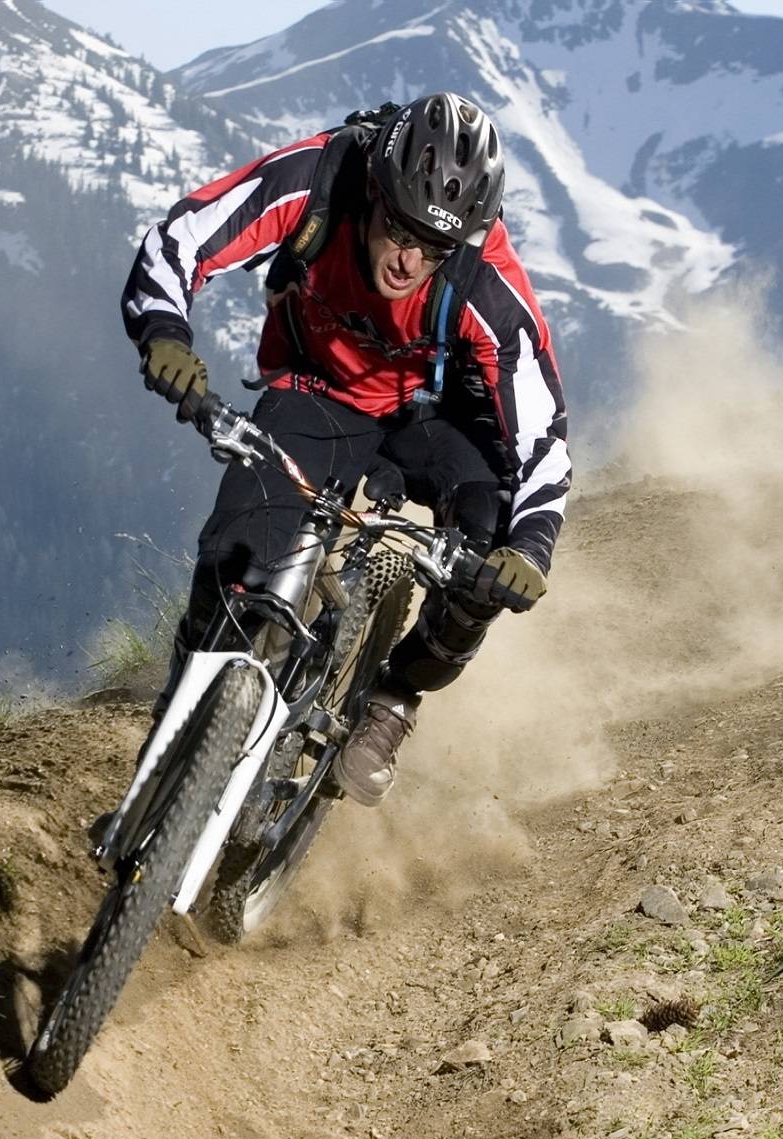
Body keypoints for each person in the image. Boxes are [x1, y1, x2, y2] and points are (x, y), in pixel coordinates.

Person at [121, 92, 570, 805]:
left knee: (488, 537)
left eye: (435, 246)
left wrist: (532, 547)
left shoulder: (488, 282)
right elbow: (179, 239)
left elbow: (544, 430)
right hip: (320, 389)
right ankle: (186, 699)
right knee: (236, 555)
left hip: (437, 415)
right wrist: (166, 337)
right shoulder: (320, 178)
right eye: (400, 228)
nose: (410, 258)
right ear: (376, 192)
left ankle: (394, 698)